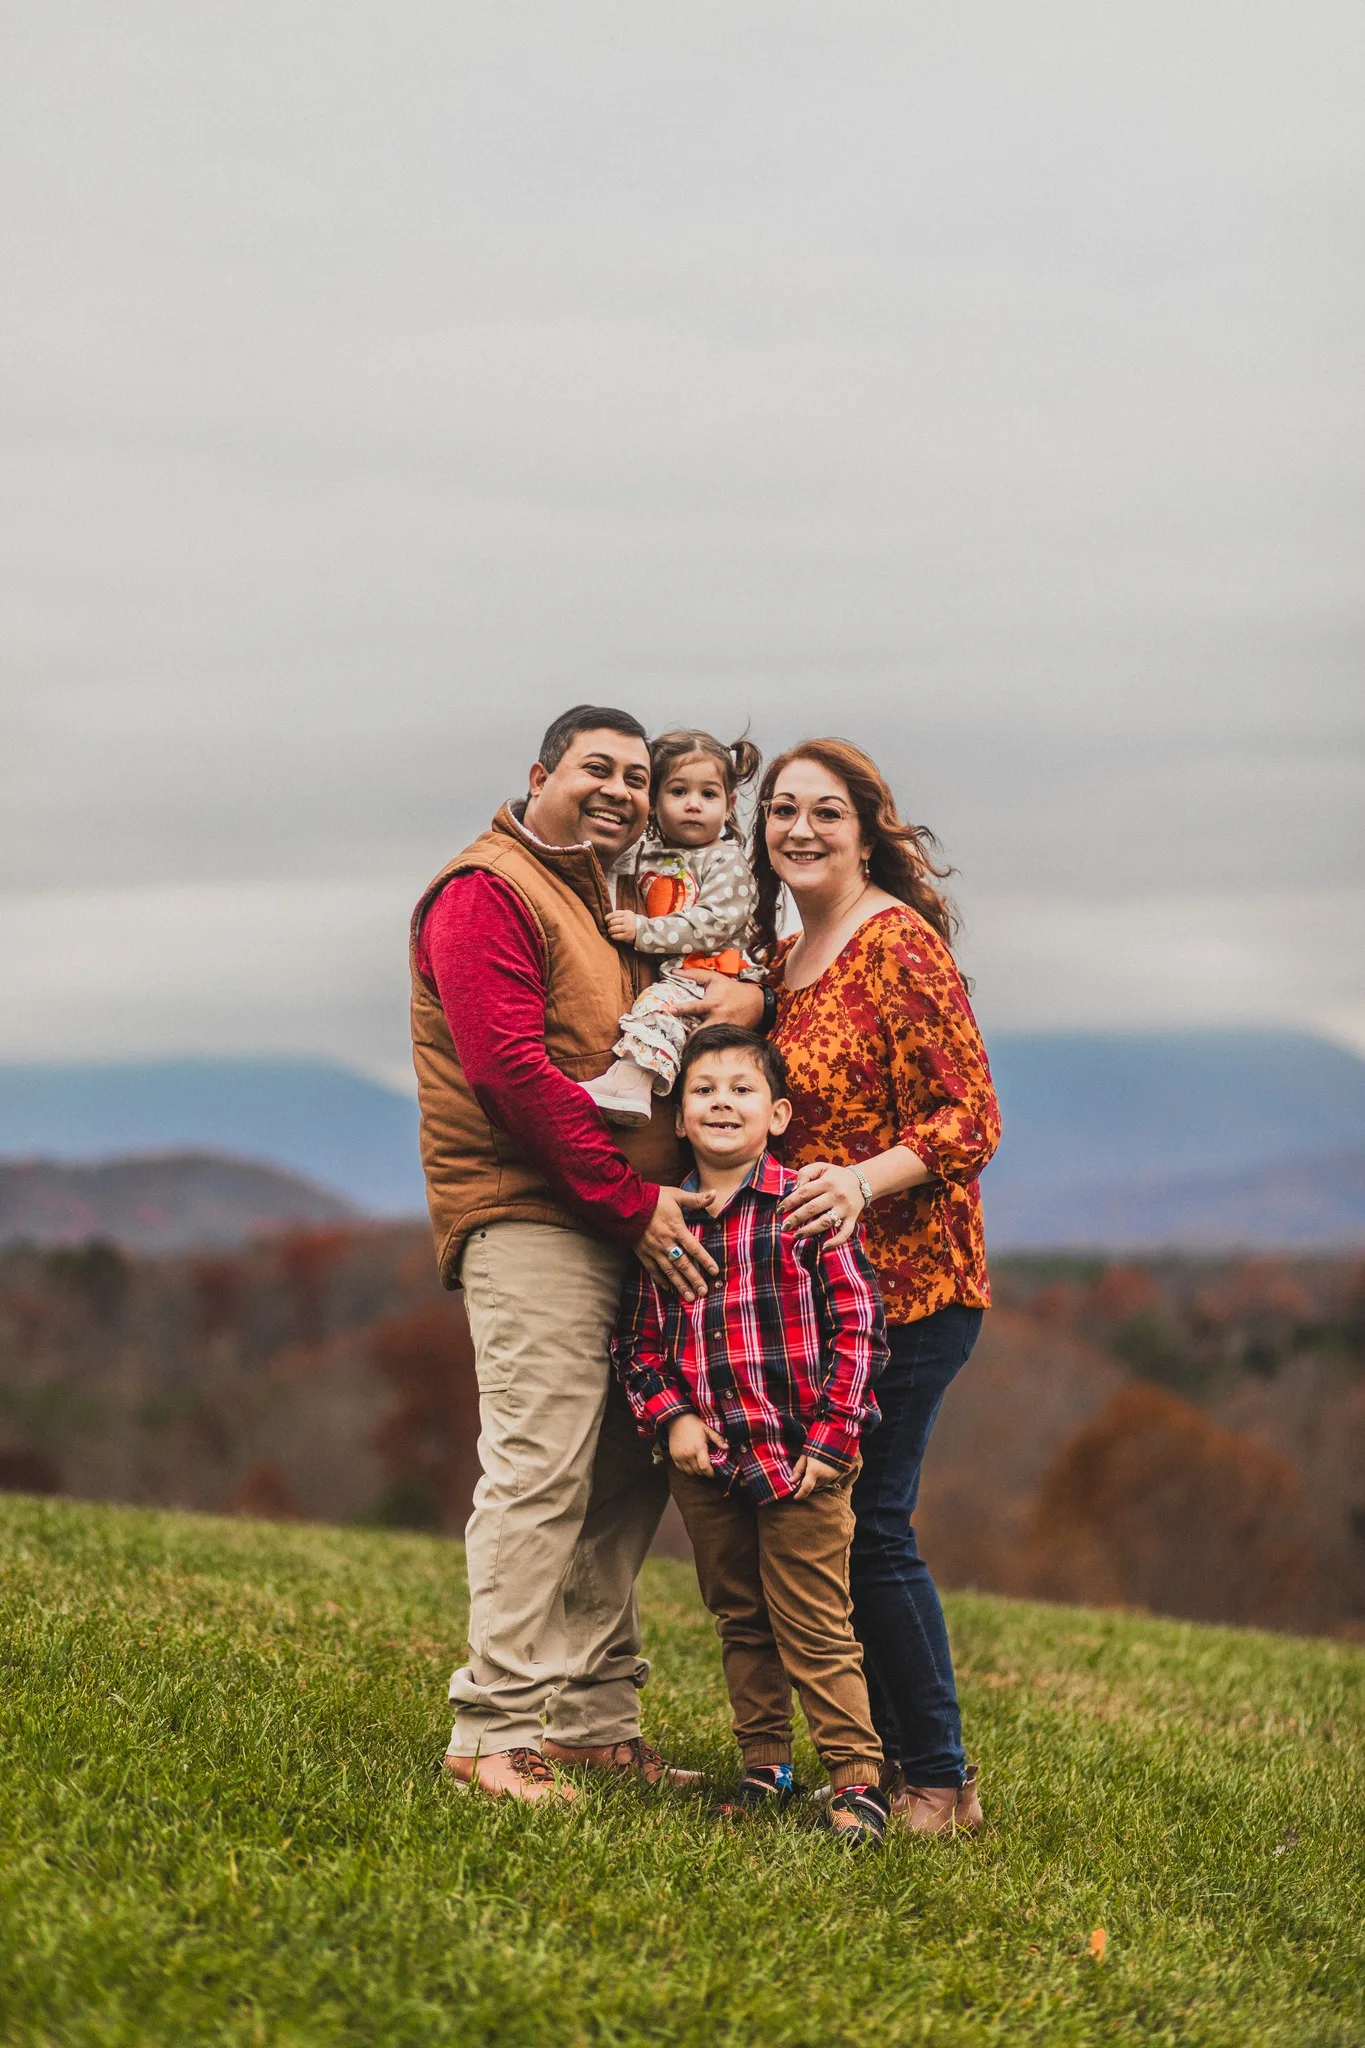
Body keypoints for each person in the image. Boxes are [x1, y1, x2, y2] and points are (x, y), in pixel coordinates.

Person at [680, 739, 1001, 1835]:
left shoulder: (895, 946)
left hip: (911, 1286)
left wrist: (861, 1184)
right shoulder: (778, 960)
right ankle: (887, 1759)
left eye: (826, 810)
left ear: (868, 829)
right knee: (843, 1525)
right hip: (811, 1302)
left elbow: (972, 1118)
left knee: (871, 1526)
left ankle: (937, 1778)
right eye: (780, 810)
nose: (800, 828)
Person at [410, 704, 721, 1803]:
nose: (623, 792)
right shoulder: (485, 889)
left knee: (626, 1473)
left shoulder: (610, 903)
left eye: (638, 778)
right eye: (598, 768)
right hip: (533, 1214)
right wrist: (627, 1199)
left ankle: (590, 1721)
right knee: (540, 1465)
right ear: (539, 772)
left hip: (621, 1216)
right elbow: (509, 1072)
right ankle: (489, 1733)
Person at [612, 1024, 893, 1847]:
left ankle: (854, 1781)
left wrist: (834, 1440)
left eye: (740, 1090)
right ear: (678, 1119)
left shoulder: (805, 1208)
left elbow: (860, 1328)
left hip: (804, 1461)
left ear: (776, 1115)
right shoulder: (668, 1225)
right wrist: (673, 1419)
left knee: (814, 1621)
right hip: (709, 1464)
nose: (720, 1103)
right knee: (739, 1616)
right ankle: (765, 1767)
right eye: (702, 1091)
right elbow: (633, 1343)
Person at [578, 729, 762, 1128]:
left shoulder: (725, 861)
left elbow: (714, 921)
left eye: (708, 795)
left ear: (729, 805)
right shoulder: (644, 855)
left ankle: (631, 1085)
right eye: (678, 792)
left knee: (658, 1009)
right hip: (672, 970)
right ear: (654, 800)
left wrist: (645, 932)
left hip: (712, 970)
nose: (694, 805)